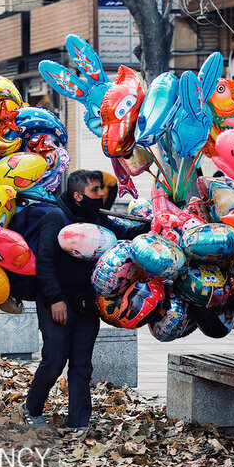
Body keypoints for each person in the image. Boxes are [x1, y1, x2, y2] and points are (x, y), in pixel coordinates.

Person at [17, 169, 144, 433]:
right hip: (56, 300)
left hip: (86, 302)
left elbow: (125, 235)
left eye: (101, 190)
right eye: (94, 191)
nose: (101, 195)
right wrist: (55, 300)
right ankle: (31, 407)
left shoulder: (97, 218)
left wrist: (154, 226)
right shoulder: (56, 218)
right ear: (77, 195)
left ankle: (79, 423)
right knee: (54, 359)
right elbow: (46, 263)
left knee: (82, 364)